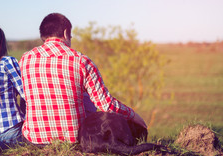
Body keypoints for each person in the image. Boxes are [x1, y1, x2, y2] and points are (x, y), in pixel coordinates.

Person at [19, 13, 147, 145]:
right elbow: (105, 105)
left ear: (43, 36)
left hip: (34, 139)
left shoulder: (25, 59)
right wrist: (134, 116)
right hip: (74, 139)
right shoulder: (81, 61)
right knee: (87, 96)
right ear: (66, 33)